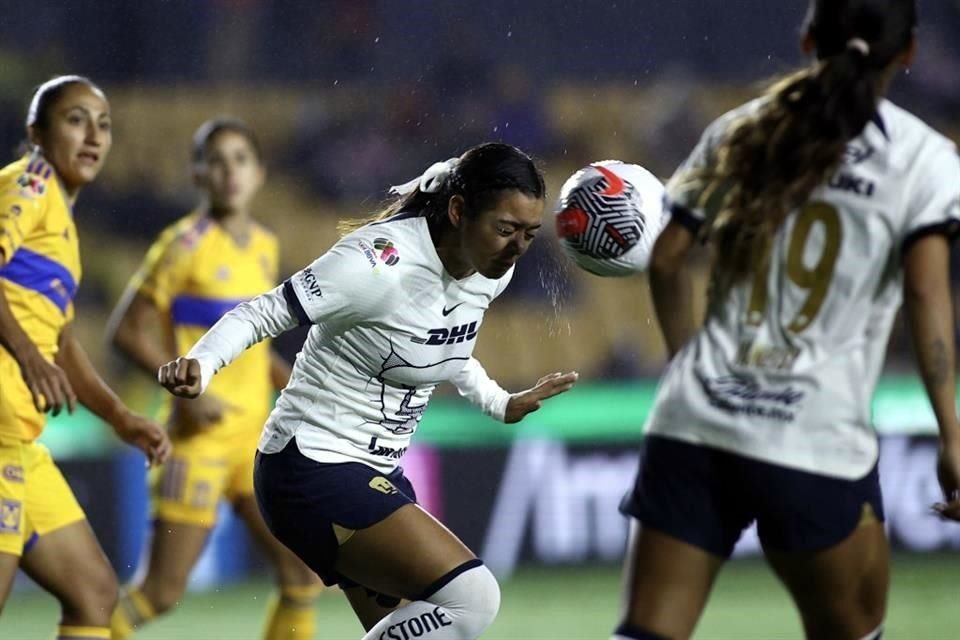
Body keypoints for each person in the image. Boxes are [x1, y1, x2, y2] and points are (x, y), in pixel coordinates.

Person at [612, 2, 960, 639]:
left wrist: (691, 367)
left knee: (647, 632)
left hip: (697, 421)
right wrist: (953, 436)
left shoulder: (742, 128)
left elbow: (667, 261)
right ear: (907, 54)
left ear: (806, 40)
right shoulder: (924, 159)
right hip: (815, 435)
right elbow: (925, 293)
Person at [158, 142, 578, 639]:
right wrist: (203, 364)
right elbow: (262, 311)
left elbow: (446, 347)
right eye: (505, 230)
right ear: (459, 210)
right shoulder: (376, 264)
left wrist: (498, 401)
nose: (517, 249)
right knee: (473, 597)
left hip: (373, 471)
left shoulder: (492, 269)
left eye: (529, 234)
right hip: (311, 467)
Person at [106, 119, 321, 640]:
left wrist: (293, 383)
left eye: (240, 159)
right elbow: (125, 332)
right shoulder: (183, 244)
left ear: (259, 173)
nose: (229, 172)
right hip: (197, 439)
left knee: (301, 575)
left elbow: (253, 341)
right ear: (198, 174)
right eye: (216, 161)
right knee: (161, 594)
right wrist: (183, 389)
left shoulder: (265, 246)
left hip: (254, 438)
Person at [0, 76, 171, 640]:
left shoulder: (63, 228)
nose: (94, 134)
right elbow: (42, 349)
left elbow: (65, 344)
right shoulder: (29, 182)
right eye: (76, 119)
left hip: (20, 440)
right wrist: (27, 356)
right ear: (36, 133)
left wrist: (121, 417)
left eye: (103, 123)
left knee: (95, 594)